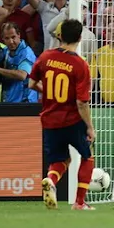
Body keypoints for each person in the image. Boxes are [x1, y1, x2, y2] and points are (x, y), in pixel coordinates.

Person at [28, 19, 96, 210]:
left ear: (59, 36)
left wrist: (49, 92)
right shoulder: (80, 65)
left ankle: (50, 180)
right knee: (87, 156)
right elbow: (81, 102)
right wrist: (90, 126)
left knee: (60, 160)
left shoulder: (45, 57)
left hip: (49, 120)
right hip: (72, 120)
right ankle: (80, 202)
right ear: (80, 38)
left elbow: (31, 85)